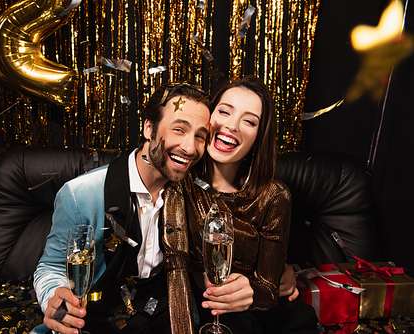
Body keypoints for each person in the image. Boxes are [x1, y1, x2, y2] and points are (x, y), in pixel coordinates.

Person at [33, 81, 212, 334]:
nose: (191, 147)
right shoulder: (80, 194)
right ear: (149, 128)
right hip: (98, 315)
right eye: (179, 129)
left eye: (200, 136)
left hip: (164, 312)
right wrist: (58, 302)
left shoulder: (193, 194)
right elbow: (50, 268)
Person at [163, 75, 318, 334]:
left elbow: (270, 290)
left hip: (265, 321)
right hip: (200, 312)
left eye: (249, 121)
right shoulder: (178, 178)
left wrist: (252, 291)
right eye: (224, 111)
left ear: (259, 138)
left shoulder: (274, 195)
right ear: (208, 118)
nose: (232, 126)